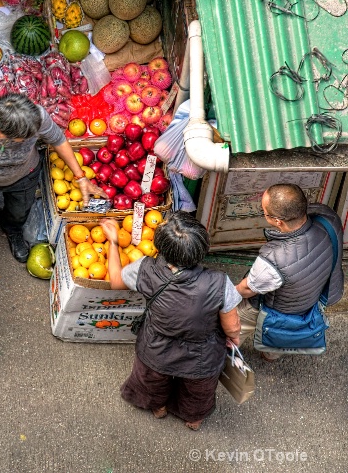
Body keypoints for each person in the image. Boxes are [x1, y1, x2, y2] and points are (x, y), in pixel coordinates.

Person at [101, 212, 241, 431]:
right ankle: (193, 419)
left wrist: (113, 242)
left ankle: (158, 407)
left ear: (159, 246)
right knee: (198, 391)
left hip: (156, 349)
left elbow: (116, 282)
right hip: (202, 356)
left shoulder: (145, 269)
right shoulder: (219, 283)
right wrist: (233, 338)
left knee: (152, 381)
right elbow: (232, 326)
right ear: (202, 248)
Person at [0, 93, 103, 263]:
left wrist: (81, 177)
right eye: (21, 140)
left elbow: (57, 139)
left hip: (23, 176)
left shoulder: (36, 116)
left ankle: (13, 230)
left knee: (19, 212)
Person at [234, 183, 344, 361]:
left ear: (278, 221)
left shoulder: (274, 258)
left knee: (237, 321)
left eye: (264, 211)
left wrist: (229, 293)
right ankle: (271, 353)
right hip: (310, 299)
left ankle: (225, 354)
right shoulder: (328, 216)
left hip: (277, 309)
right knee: (281, 336)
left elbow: (247, 289)